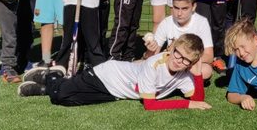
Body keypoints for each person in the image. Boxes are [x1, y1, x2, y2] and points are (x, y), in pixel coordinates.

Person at [18, 34, 211, 112]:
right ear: (173, 47)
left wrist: (198, 75)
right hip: (105, 75)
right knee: (60, 95)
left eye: (186, 60)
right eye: (178, 54)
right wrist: (188, 104)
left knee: (68, 101)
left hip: (114, 92)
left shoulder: (184, 72)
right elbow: (150, 105)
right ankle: (52, 76)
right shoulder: (155, 64)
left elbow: (198, 98)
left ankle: (45, 88)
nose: (179, 61)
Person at [142, 0, 215, 80]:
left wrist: (184, 60)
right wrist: (149, 51)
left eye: (184, 9)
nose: (179, 13)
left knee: (206, 70)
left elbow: (209, 56)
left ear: (193, 7)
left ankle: (174, 80)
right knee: (141, 64)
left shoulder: (201, 22)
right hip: (171, 63)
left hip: (188, 64)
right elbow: (152, 57)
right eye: (176, 8)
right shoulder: (166, 22)